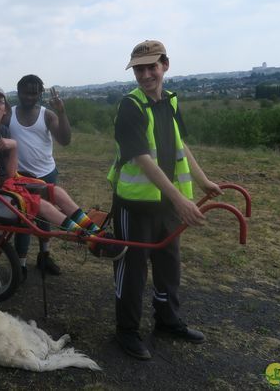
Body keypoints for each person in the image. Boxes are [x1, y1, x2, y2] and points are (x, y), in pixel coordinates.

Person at [108, 40, 223, 360]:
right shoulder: (130, 106)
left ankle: (167, 321)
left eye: (151, 67)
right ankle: (126, 331)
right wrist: (181, 201)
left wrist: (202, 182)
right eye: (139, 69)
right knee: (131, 270)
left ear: (165, 66)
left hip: (166, 205)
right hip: (135, 203)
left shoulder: (170, 101)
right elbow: (142, 158)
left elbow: (179, 144)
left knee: (168, 265)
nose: (146, 75)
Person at [0, 86, 125, 253]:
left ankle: (96, 232)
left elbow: (11, 174)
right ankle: (91, 241)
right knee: (41, 205)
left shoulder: (3, 130)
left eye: (0, 102)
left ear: (5, 110)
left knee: (56, 192)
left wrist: (14, 146)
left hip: (2, 185)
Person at [8, 74, 71, 279]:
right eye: (26, 93)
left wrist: (62, 113)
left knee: (46, 218)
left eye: (34, 93)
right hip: (21, 177)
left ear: (40, 94)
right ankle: (21, 264)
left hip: (46, 174)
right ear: (18, 92)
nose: (30, 97)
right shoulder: (9, 114)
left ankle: (44, 256)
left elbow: (64, 140)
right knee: (24, 221)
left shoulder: (48, 115)